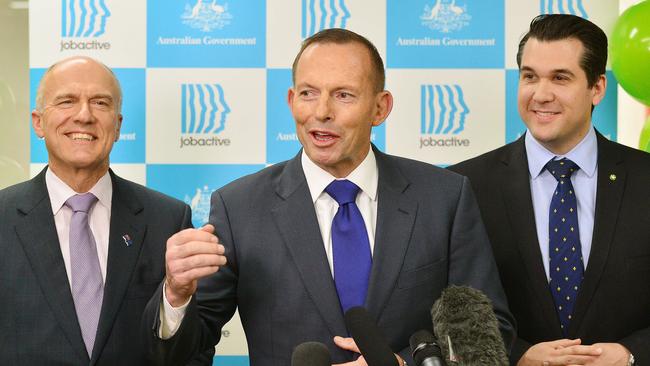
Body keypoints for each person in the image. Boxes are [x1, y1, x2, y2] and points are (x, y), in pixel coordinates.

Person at [142, 28, 515, 366]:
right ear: (291, 101)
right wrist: (176, 295)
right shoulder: (238, 207)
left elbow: (487, 333)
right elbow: (184, 350)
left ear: (380, 108)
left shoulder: (444, 197)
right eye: (308, 93)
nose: (322, 113)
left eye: (343, 95)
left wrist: (403, 364)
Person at [450, 14, 650, 366]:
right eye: (529, 77)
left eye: (560, 78)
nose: (541, 94)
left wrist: (632, 353)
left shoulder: (646, 178)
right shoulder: (462, 186)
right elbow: (451, 308)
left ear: (597, 88)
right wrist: (517, 355)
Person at [0, 56, 211, 365]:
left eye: (100, 103)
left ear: (118, 125)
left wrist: (176, 299)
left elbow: (193, 351)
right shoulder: (3, 218)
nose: (84, 115)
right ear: (38, 122)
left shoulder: (168, 219)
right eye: (67, 101)